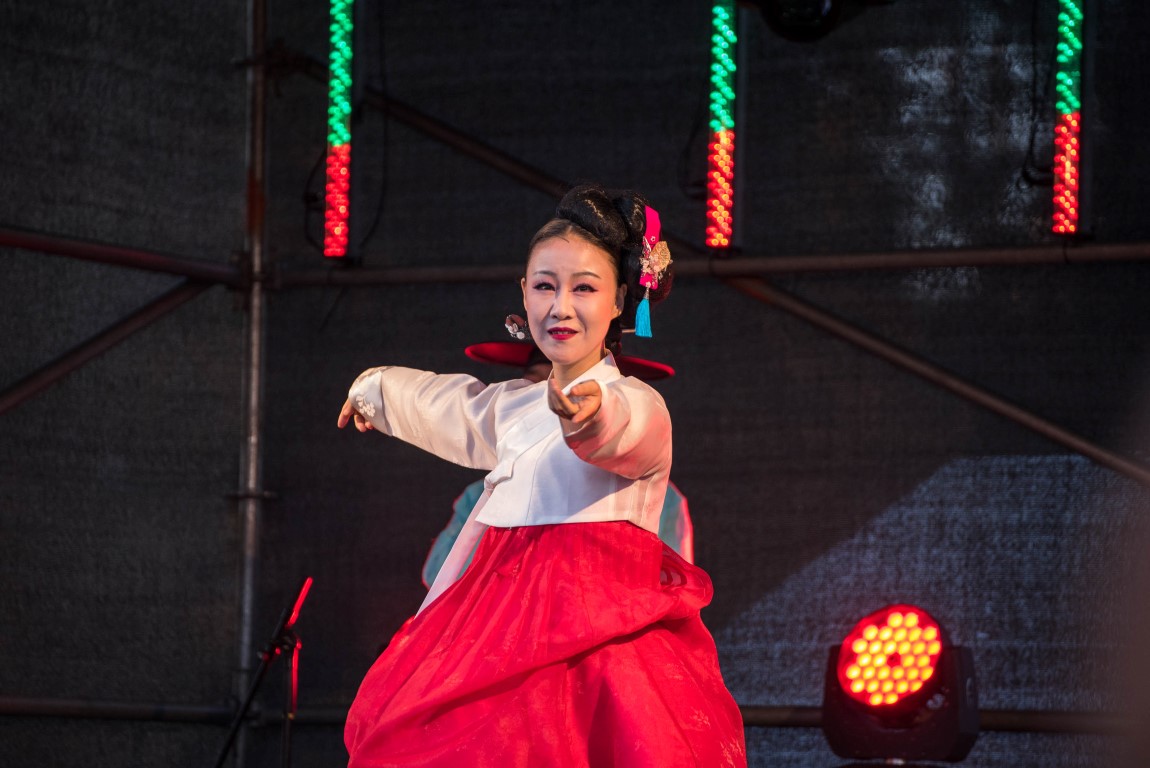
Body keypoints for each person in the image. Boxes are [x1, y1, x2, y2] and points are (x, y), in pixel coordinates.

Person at [337, 184, 746, 767]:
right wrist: (375, 390)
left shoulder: (637, 401)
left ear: (619, 300)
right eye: (545, 286)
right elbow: (454, 407)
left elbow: (625, 433)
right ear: (523, 293)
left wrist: (589, 418)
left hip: (597, 634)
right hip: (496, 623)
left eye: (584, 288)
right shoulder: (515, 406)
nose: (561, 306)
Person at [421, 341, 695, 589]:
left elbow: (669, 585)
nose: (549, 400)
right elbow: (438, 575)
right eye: (534, 386)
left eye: (568, 389)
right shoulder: (484, 492)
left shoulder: (656, 496)